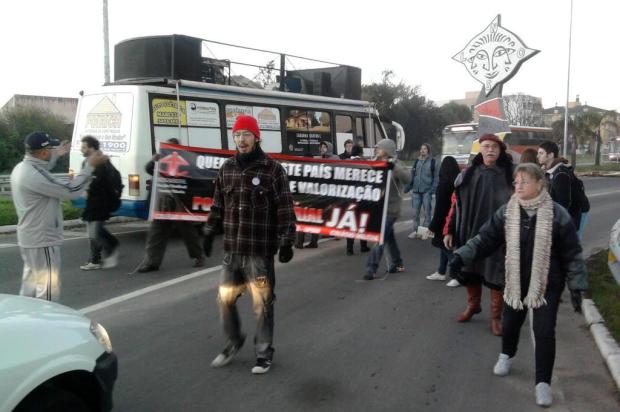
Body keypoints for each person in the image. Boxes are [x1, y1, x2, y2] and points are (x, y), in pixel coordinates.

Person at [449, 163, 587, 407]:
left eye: (525, 181)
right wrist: (462, 255)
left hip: (546, 284)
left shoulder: (558, 214)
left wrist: (577, 285)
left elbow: (573, 254)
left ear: (540, 184)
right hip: (514, 281)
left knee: (544, 331)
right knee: (511, 324)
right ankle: (507, 354)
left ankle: (542, 383)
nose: (519, 186)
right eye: (516, 182)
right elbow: (484, 239)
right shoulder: (507, 212)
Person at [203, 115, 296, 374]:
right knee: (224, 299)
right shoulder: (226, 169)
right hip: (232, 252)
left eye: (246, 134)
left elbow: (285, 209)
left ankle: (264, 353)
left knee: (263, 303)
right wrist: (210, 230)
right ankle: (234, 341)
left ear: (256, 137)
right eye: (237, 134)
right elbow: (218, 205)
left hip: (259, 255)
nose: (241, 139)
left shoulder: (273, 170)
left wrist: (287, 241)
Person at [10, 131, 107, 301]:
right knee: (48, 290)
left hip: (31, 238)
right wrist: (90, 166)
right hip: (42, 240)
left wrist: (57, 155)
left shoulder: (23, 168)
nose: (54, 151)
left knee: (30, 286)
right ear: (43, 153)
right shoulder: (33, 175)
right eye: (51, 149)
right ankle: (45, 325)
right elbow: (72, 191)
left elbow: (43, 168)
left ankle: (26, 321)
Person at [444, 134, 514, 336]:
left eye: (494, 147)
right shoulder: (467, 175)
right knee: (470, 270)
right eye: (486, 146)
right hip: (470, 232)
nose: (490, 150)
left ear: (500, 150)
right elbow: (456, 205)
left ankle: (495, 317)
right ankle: (473, 305)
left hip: (498, 236)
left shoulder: (510, 175)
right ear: (480, 149)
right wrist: (449, 230)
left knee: (496, 275)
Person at [136, 138, 205, 272]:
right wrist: (154, 159)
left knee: (188, 232)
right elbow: (149, 169)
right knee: (156, 233)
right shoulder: (161, 161)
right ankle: (152, 262)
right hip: (162, 203)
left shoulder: (187, 162)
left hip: (180, 204)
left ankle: (198, 256)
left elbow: (194, 180)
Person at [364, 139, 411, 280]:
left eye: (379, 148)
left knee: (379, 238)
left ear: (387, 150)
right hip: (378, 208)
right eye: (377, 148)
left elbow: (407, 178)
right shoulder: (375, 162)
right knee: (389, 237)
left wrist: (393, 167)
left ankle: (371, 268)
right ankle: (398, 263)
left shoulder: (396, 163)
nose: (377, 150)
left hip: (391, 209)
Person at [79, 135, 121, 270]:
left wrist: (88, 188)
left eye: (84, 147)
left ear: (92, 148)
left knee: (95, 232)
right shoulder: (86, 162)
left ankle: (111, 247)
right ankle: (95, 260)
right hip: (91, 202)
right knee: (93, 232)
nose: (82, 149)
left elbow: (100, 182)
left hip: (101, 202)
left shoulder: (101, 162)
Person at [425, 156, 460, 282]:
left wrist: (432, 226)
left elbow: (439, 209)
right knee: (444, 246)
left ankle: (457, 274)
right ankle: (441, 271)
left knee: (444, 246)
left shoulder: (443, 185)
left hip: (443, 222)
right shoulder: (458, 183)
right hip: (454, 219)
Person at [536, 141, 581, 229]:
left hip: (572, 215)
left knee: (570, 242)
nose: (538, 156)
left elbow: (564, 204)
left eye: (541, 153)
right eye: (538, 153)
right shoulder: (547, 170)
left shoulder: (560, 174)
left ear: (551, 155)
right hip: (559, 215)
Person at [404, 143, 437, 239]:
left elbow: (436, 178)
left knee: (427, 213)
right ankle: (415, 231)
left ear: (428, 151)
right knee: (415, 213)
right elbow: (412, 176)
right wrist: (407, 188)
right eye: (421, 149)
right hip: (416, 192)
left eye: (425, 149)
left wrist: (432, 190)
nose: (422, 150)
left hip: (427, 191)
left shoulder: (433, 162)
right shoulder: (416, 161)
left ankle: (424, 233)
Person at [346, 144, 370, 255]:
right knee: (362, 222)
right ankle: (363, 245)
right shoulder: (365, 163)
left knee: (350, 223)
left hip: (349, 197)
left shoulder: (345, 163)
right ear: (361, 153)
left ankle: (349, 248)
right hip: (362, 197)